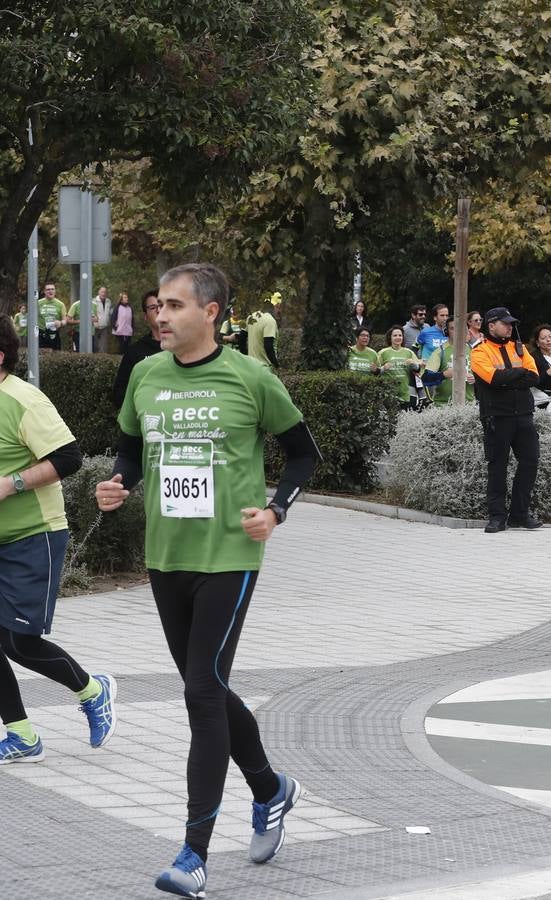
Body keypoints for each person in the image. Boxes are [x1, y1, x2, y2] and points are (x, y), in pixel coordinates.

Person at [95, 263, 321, 898]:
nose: (159, 316)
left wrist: (277, 510)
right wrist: (120, 483)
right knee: (210, 688)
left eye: (173, 305)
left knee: (200, 693)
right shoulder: (144, 373)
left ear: (212, 312)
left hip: (229, 557)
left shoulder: (251, 377)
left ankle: (193, 854)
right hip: (166, 557)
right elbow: (132, 448)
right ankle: (272, 789)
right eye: (157, 306)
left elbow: (304, 451)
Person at [0, 314, 118, 764]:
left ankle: (93, 691)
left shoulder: (24, 401)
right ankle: (22, 735)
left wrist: (11, 483)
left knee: (20, 643)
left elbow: (68, 457)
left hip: (34, 536)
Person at [470, 307, 541, 533]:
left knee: (530, 461)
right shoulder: (480, 351)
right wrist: (518, 375)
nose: (510, 327)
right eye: (505, 323)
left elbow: (535, 376)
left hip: (523, 415)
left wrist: (507, 379)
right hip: (497, 416)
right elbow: (492, 379)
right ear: (491, 326)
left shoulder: (518, 348)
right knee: (497, 466)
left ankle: (519, 514)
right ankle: (497, 517)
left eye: (511, 323)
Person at [111, 291, 162, 411]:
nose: (159, 310)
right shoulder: (134, 352)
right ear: (145, 316)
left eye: (162, 306)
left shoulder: (184, 349)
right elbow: (119, 394)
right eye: (153, 307)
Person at [378, 326, 422, 410]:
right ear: (390, 338)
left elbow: (418, 370)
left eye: (400, 335)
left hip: (405, 392)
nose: (398, 337)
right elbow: (376, 371)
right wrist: (383, 368)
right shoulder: (383, 352)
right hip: (388, 392)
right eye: (395, 335)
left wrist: (413, 364)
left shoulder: (408, 352)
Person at [528, 324, 551, 418]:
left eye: (550, 336)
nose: (548, 340)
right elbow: (530, 380)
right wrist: (547, 373)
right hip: (540, 402)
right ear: (537, 342)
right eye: (544, 338)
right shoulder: (532, 357)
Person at [419, 304, 451, 404]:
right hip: (431, 374)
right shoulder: (426, 332)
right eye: (442, 315)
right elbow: (415, 348)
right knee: (432, 402)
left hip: (448, 373)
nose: (445, 318)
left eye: (447, 315)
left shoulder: (451, 333)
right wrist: (418, 363)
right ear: (434, 317)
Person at [246, 292, 281, 370]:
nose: (279, 310)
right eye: (279, 307)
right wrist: (276, 364)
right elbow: (268, 345)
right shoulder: (270, 321)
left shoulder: (251, 317)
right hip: (265, 368)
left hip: (251, 366)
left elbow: (241, 338)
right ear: (276, 305)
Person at [36, 283, 68, 351]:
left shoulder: (60, 304)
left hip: (54, 333)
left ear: (55, 291)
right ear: (44, 292)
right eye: (48, 289)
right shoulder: (38, 303)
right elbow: (32, 319)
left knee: (55, 356)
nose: (50, 291)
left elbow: (65, 320)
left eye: (52, 289)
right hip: (41, 333)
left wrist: (60, 323)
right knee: (41, 356)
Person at [93, 286, 112, 352]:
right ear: (99, 292)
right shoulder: (94, 301)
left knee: (103, 346)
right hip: (95, 326)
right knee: (95, 345)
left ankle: (102, 359)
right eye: (102, 292)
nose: (103, 293)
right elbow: (91, 313)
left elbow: (109, 313)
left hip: (104, 326)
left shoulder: (108, 301)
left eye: (105, 292)